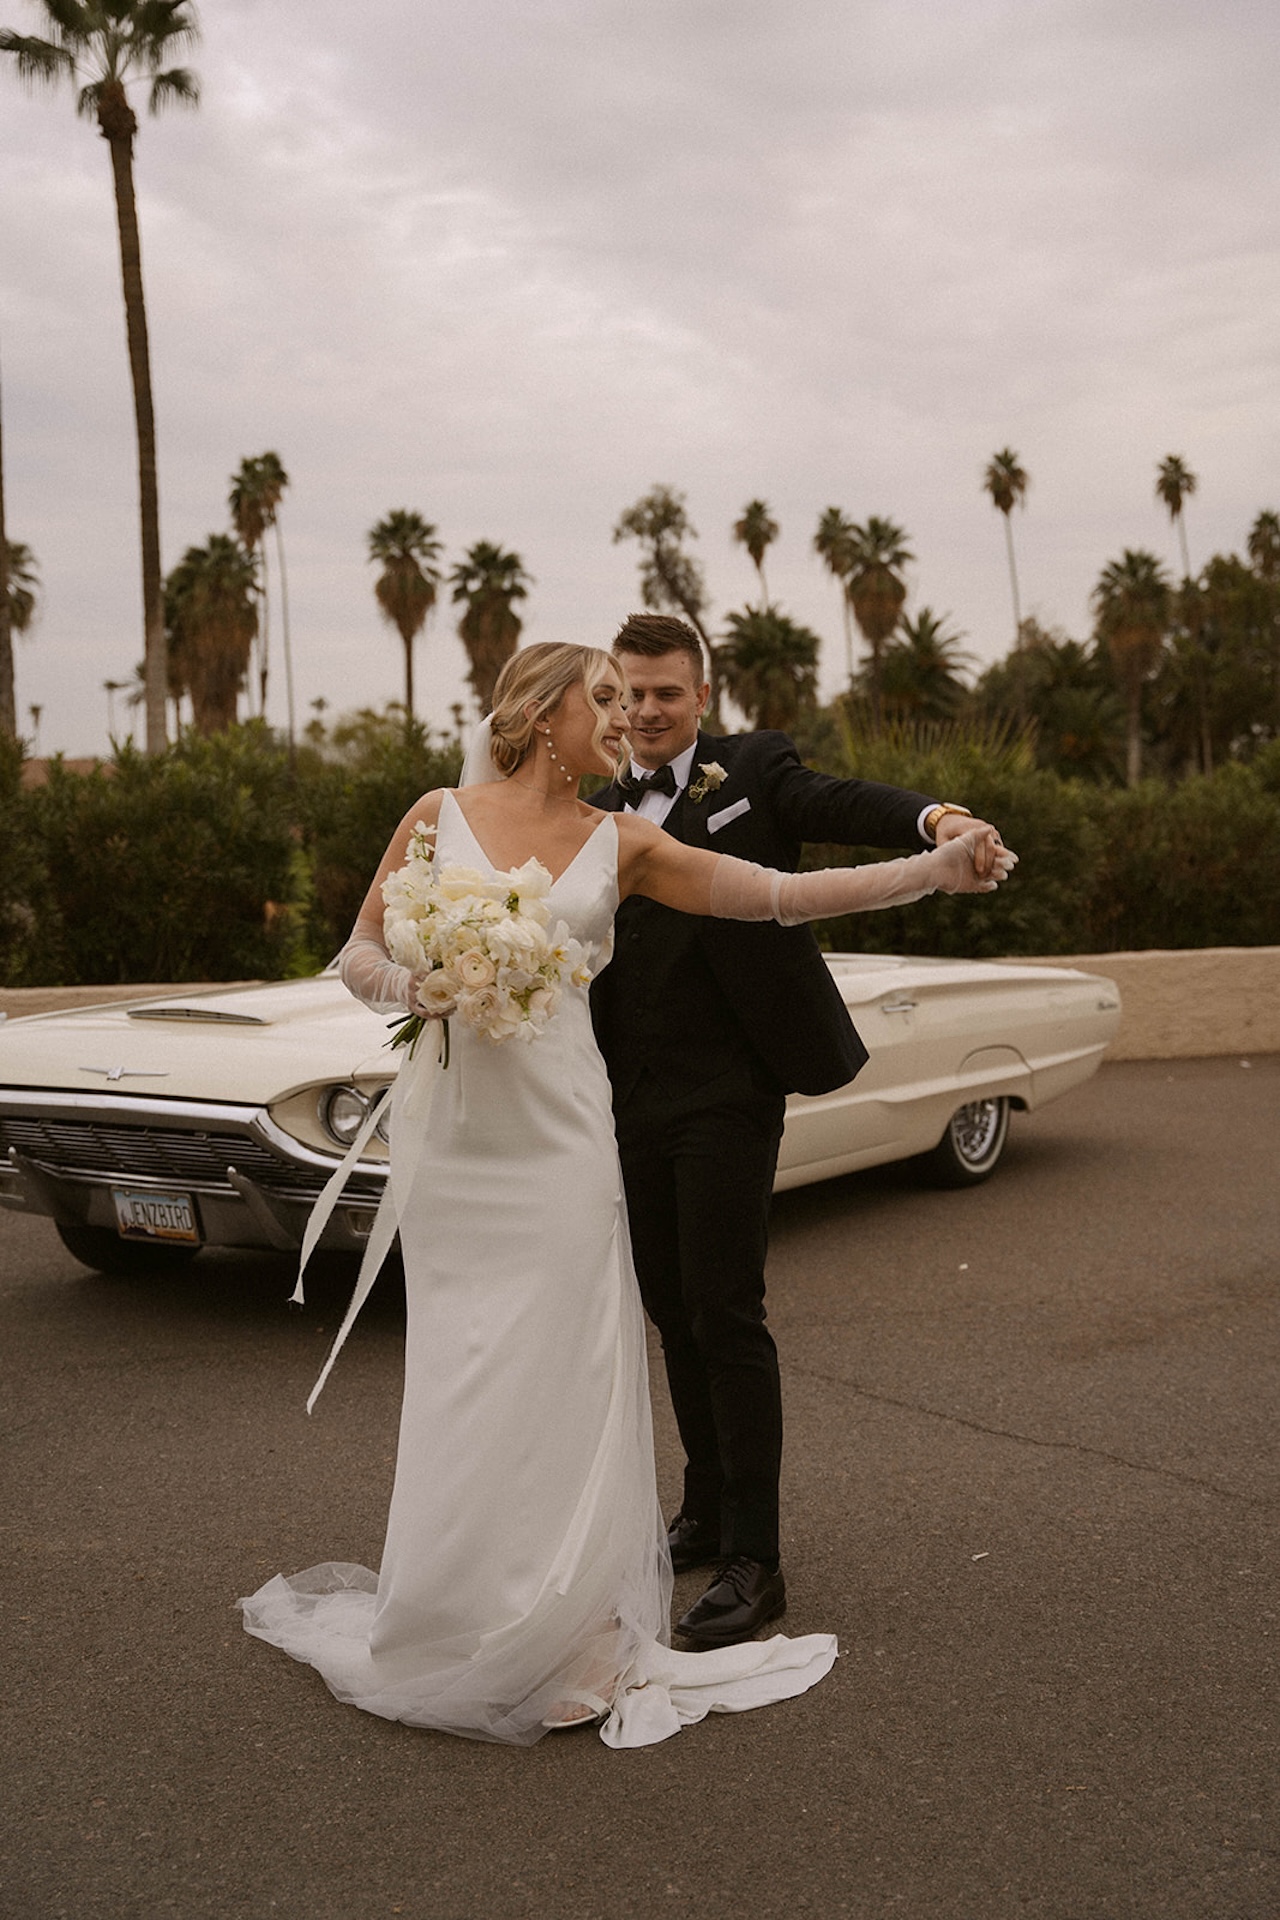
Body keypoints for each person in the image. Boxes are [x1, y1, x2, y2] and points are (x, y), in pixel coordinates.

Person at [239, 642, 1013, 1748]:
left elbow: (779, 897)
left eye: (634, 697)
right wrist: (422, 983)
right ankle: (454, 1605)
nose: (622, 716)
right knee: (465, 1364)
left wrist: (927, 870)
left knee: (570, 1363)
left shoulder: (628, 841)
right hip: (463, 1147)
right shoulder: (433, 813)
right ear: (541, 713)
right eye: (599, 698)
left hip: (561, 1139)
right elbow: (357, 954)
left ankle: (575, 1625)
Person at [590, 614, 1007, 1650]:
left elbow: (844, 805)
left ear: (699, 696)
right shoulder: (593, 803)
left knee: (725, 1309)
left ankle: (755, 1562)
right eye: (629, 693)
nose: (645, 711)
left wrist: (936, 821)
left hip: (729, 1088)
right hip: (626, 1095)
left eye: (665, 694)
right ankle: (703, 1506)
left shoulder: (751, 768)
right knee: (671, 1312)